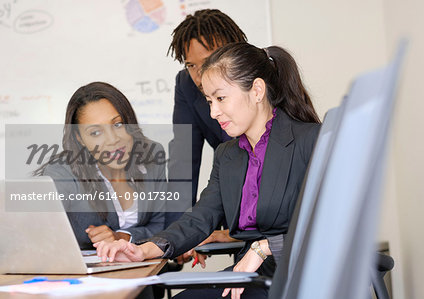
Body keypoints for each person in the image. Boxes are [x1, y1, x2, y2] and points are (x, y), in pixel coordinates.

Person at [95, 43, 321, 299]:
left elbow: (330, 225)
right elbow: (198, 219)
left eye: (221, 98)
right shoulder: (228, 155)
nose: (213, 112)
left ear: (257, 90)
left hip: (300, 275)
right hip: (250, 274)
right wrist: (143, 249)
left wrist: (264, 248)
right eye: (209, 101)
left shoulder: (310, 140)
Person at [34, 82, 166, 250]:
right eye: (95, 132)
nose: (112, 140)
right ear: (79, 138)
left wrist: (123, 237)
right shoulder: (62, 172)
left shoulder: (152, 155)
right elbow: (38, 230)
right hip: (89, 273)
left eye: (118, 124)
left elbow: (161, 225)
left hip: (148, 270)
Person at [166, 9, 247, 228]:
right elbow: (183, 159)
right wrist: (177, 230)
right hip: (230, 198)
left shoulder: (260, 75)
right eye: (191, 65)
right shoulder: (186, 85)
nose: (199, 75)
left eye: (208, 60)